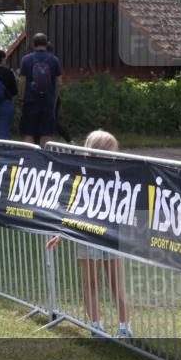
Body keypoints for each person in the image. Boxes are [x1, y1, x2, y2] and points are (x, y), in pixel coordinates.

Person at [46, 130, 131, 337]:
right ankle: (96, 326)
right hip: (87, 236)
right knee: (91, 282)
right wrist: (62, 232)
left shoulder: (119, 176)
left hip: (112, 237)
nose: (113, 156)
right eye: (109, 152)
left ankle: (125, 327)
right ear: (95, 153)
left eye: (114, 152)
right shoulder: (81, 176)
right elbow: (72, 207)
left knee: (116, 284)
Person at [19, 33, 62, 147]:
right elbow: (59, 82)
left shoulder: (26, 59)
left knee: (28, 133)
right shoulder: (54, 60)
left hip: (30, 101)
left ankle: (29, 160)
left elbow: (22, 81)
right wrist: (55, 97)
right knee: (46, 133)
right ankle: (44, 161)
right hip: (48, 102)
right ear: (46, 44)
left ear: (33, 44)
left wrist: (22, 97)